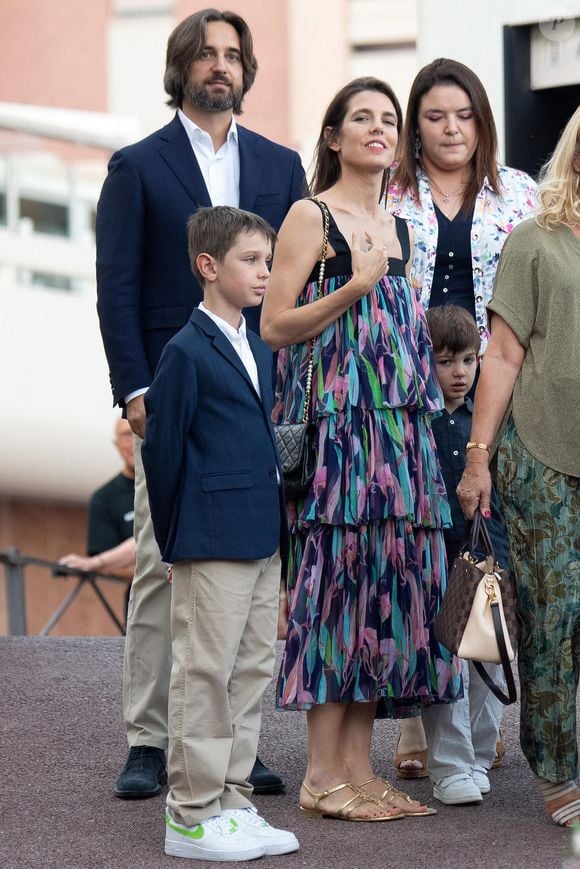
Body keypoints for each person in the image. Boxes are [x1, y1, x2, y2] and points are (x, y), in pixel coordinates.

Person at [96, 7, 306, 799]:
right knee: (161, 565)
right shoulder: (137, 167)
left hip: (258, 404)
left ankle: (235, 748)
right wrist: (137, 393)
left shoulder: (283, 169)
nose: (221, 66)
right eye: (207, 54)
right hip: (174, 397)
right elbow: (115, 290)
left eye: (233, 55)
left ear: (246, 72)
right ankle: (151, 737)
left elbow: (289, 291)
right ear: (182, 67)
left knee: (254, 575)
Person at [261, 77, 462, 822]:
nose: (378, 128)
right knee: (335, 594)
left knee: (385, 592)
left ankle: (360, 769)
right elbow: (275, 325)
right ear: (335, 138)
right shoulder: (310, 216)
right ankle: (321, 774)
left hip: (399, 440)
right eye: (362, 118)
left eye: (388, 119)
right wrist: (355, 285)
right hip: (341, 440)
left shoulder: (401, 225)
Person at [386, 57, 536, 785]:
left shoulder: (521, 196)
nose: (452, 128)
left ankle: (479, 727)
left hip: (496, 402)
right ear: (417, 123)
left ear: (484, 122)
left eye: (465, 115)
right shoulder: (388, 196)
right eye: (437, 115)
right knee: (423, 562)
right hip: (409, 403)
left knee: (485, 561)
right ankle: (426, 725)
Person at [142, 205, 298, 861]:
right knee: (204, 673)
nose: (266, 272)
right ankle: (191, 811)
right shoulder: (183, 351)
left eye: (267, 260)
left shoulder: (253, 341)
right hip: (209, 539)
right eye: (251, 261)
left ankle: (232, 800)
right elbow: (162, 453)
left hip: (259, 534)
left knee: (252, 668)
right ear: (209, 267)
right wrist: (176, 543)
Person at [457, 107, 580, 827]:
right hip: (540, 453)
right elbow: (501, 355)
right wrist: (479, 457)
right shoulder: (535, 239)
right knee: (552, 617)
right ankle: (558, 768)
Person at [421, 304, 510, 805]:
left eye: (469, 361)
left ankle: (478, 754)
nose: (459, 373)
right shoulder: (420, 419)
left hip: (486, 555)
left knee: (489, 652)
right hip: (437, 552)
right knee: (444, 657)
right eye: (445, 361)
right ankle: (449, 764)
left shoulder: (488, 417)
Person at [59, 418, 135, 619]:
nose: (135, 440)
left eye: (139, 431)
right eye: (127, 434)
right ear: (116, 444)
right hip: (142, 604)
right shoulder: (105, 498)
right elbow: (142, 542)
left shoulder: (170, 483)